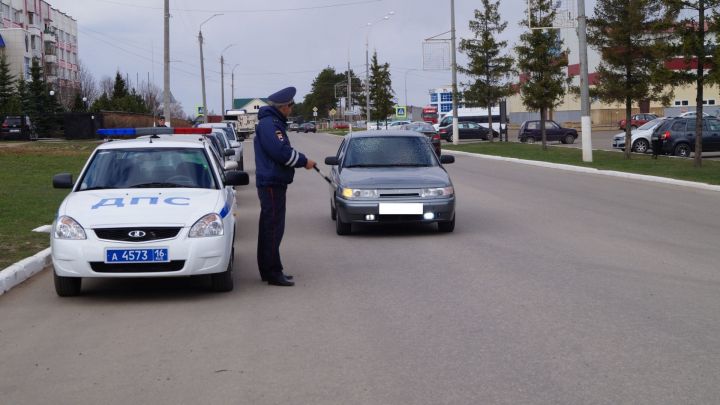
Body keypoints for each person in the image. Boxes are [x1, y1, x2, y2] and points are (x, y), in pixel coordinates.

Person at [254, 86, 316, 286]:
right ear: (284, 107)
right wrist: (304, 161)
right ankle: (273, 272)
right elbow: (281, 152)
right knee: (273, 229)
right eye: (291, 106)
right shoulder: (270, 125)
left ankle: (268, 269)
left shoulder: (270, 123)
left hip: (272, 181)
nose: (291, 109)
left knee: (268, 227)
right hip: (272, 181)